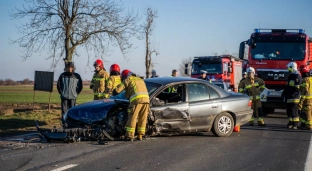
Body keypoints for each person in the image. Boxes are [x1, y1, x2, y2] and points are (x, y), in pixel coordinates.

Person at [113, 69, 150, 141]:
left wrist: (114, 92)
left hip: (137, 101)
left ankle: (130, 135)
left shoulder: (128, 80)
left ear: (125, 76)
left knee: (133, 117)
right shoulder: (140, 79)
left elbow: (117, 90)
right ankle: (140, 135)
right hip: (146, 100)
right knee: (143, 118)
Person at [281, 62, 302, 129]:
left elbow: (298, 88)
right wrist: (284, 93)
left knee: (294, 111)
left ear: (292, 67)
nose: (288, 69)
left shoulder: (297, 76)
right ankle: (290, 123)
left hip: (294, 97)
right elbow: (287, 86)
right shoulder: (291, 76)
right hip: (289, 96)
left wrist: (293, 94)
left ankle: (295, 124)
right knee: (289, 111)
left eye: (289, 67)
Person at [298, 65, 312, 130]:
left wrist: (301, 100)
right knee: (307, 112)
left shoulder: (305, 80)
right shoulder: (311, 79)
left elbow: (304, 91)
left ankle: (309, 125)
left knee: (307, 112)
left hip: (307, 99)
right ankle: (303, 124)